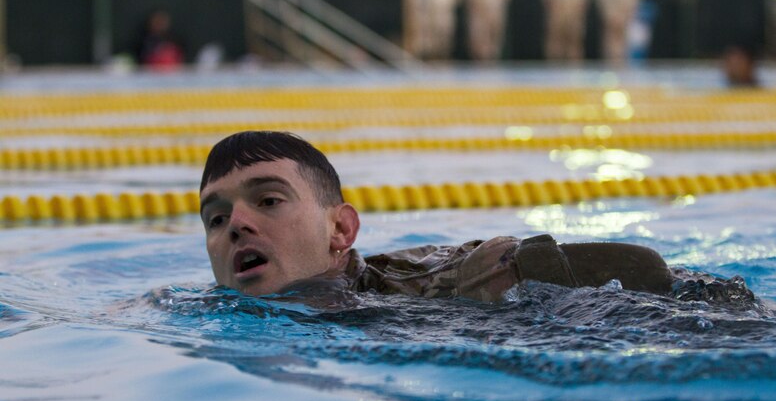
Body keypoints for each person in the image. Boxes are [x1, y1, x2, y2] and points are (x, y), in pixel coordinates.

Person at [200, 131, 681, 303]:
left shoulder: (440, 286)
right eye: (216, 219)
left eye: (267, 200)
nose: (237, 223)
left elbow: (644, 269)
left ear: (340, 229)